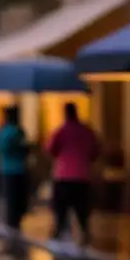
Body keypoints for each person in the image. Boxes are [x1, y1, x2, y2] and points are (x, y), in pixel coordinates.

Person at [47, 102, 100, 244]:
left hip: (63, 176)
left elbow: (51, 149)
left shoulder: (61, 131)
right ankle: (84, 233)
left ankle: (59, 231)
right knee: (82, 208)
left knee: (61, 208)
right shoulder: (87, 131)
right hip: (82, 176)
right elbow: (95, 151)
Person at [0, 106, 30, 229]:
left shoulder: (2, 132)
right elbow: (23, 148)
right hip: (18, 169)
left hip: (6, 169)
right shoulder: (17, 132)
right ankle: (14, 221)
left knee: (11, 198)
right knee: (18, 198)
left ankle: (11, 221)